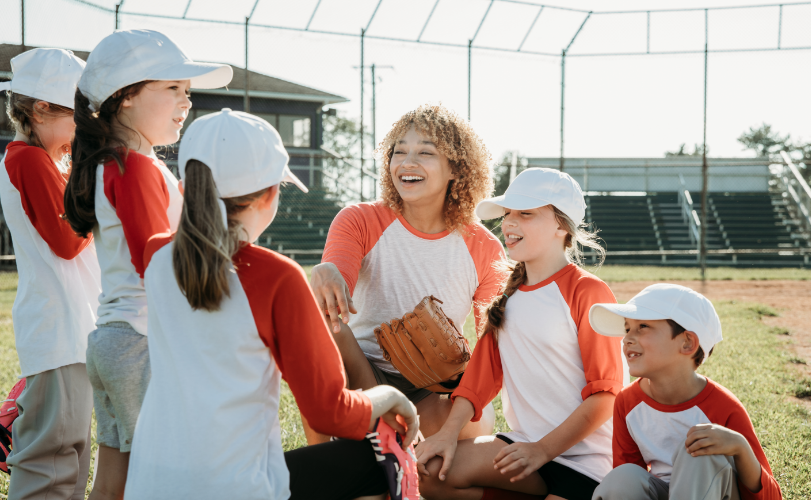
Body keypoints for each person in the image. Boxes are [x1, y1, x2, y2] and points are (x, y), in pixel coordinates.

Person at [123, 108, 418, 500]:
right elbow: (329, 413)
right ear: (271, 193)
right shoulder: (277, 277)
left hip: (148, 484)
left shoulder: (154, 255)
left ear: (185, 187)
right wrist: (392, 397)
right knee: (373, 461)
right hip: (239, 489)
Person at [62, 30, 232, 500]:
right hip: (142, 343)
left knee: (113, 482)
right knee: (164, 478)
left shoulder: (112, 163)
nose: (187, 102)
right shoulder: (135, 166)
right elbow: (157, 265)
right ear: (125, 98)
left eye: (188, 91)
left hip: (112, 343)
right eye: (173, 88)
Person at [416, 168, 627, 500]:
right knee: (428, 473)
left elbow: (606, 397)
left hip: (587, 462)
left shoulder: (588, 291)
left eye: (525, 214)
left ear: (561, 225)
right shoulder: (507, 296)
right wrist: (446, 434)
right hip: (523, 444)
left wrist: (542, 451)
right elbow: (477, 384)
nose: (509, 223)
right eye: (508, 214)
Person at [309, 104, 506, 442]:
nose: (407, 162)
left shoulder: (484, 248)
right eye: (398, 152)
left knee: (479, 419)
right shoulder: (358, 219)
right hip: (361, 372)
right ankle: (365, 440)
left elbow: (493, 345)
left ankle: (381, 437)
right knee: (327, 321)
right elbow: (335, 295)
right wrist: (326, 272)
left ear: (456, 169)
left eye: (424, 153)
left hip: (430, 386)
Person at [0, 48, 100, 500]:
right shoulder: (28, 160)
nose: (80, 136)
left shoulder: (42, 161)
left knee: (72, 456)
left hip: (71, 331)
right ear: (40, 109)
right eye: (76, 121)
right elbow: (66, 240)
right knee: (51, 461)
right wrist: (103, 208)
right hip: (59, 331)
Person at [589, 283, 782, 500]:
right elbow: (630, 483)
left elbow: (772, 496)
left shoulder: (724, 407)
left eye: (642, 326)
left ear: (687, 343)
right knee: (622, 477)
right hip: (663, 491)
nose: (627, 339)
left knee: (700, 452)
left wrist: (740, 448)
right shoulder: (627, 402)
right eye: (627, 329)